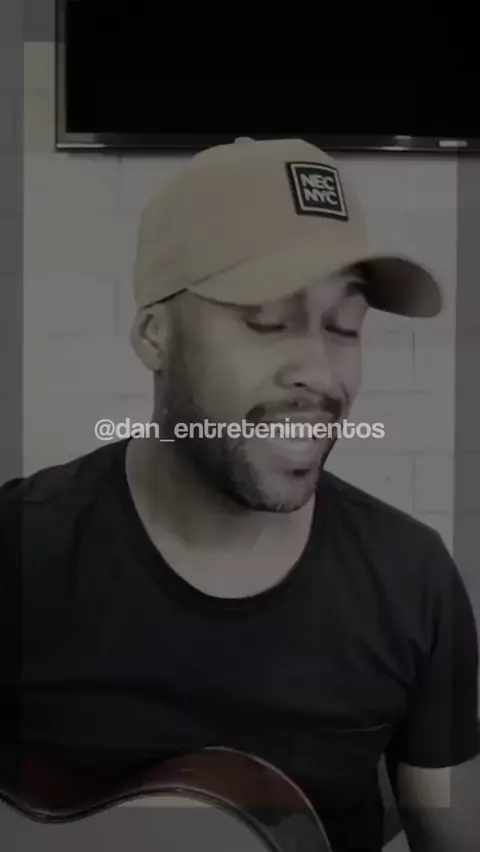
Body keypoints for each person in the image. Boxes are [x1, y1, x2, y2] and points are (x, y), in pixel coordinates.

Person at [0, 137, 478, 852]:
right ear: (154, 335)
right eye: (267, 321)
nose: (321, 372)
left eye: (345, 327)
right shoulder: (20, 553)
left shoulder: (414, 583)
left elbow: (452, 828)